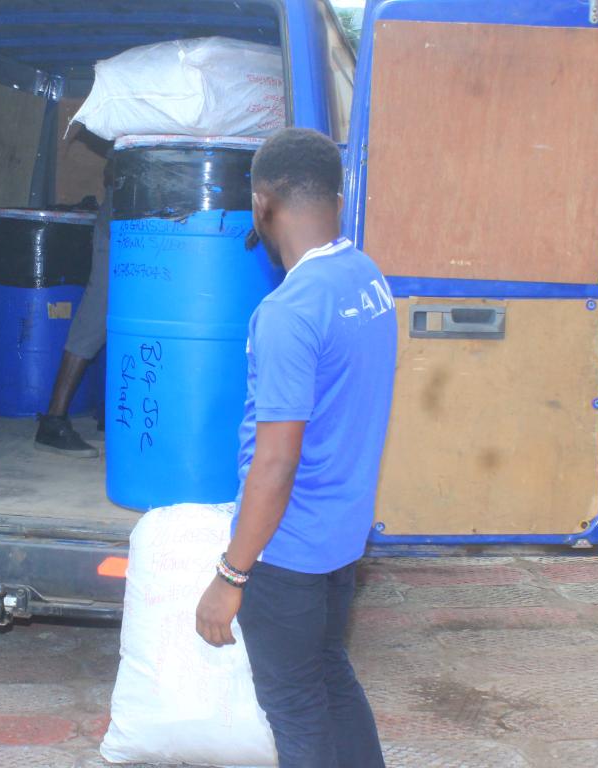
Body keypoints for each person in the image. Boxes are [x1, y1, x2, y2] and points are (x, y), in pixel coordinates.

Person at [195, 127, 396, 768]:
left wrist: (231, 575)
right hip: (341, 540)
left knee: (296, 708)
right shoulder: (366, 278)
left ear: (262, 203)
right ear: (338, 197)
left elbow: (276, 461)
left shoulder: (288, 311)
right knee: (330, 676)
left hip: (288, 552)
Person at [34, 162, 112, 457]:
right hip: (126, 223)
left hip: (165, 225)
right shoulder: (137, 122)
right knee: (96, 316)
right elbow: (112, 171)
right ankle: (53, 421)